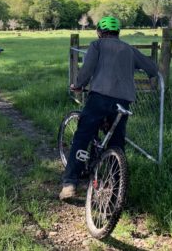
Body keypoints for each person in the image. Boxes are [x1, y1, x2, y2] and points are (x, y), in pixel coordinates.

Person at [59, 16, 158, 200]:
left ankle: (70, 183)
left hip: (99, 97)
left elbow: (87, 69)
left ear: (99, 32)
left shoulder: (96, 45)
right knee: (116, 143)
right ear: (118, 32)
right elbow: (152, 68)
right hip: (124, 101)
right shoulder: (129, 49)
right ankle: (115, 192)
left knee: (83, 135)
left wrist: (79, 84)